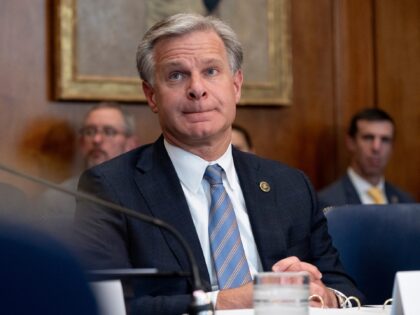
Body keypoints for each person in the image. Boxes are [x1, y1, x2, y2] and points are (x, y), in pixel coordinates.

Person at [74, 13, 363, 314]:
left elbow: (344, 288)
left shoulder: (289, 186)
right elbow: (106, 306)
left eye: (211, 71)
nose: (197, 89)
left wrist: (326, 297)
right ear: (151, 96)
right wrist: (227, 301)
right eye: (176, 75)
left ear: (236, 86)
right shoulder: (110, 189)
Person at [38, 102, 137, 226]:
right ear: (81, 143)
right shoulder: (55, 200)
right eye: (89, 132)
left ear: (131, 144)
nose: (96, 140)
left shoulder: (146, 196)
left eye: (109, 131)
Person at [318, 108, 415, 210]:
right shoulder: (326, 203)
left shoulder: (406, 201)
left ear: (392, 146)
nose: (376, 147)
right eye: (368, 137)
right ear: (351, 142)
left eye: (385, 140)